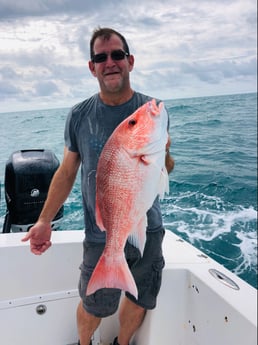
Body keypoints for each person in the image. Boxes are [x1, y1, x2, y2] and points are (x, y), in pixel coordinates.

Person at [22, 27, 174, 345]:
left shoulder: (152, 110)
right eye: (101, 57)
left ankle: (122, 343)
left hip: (149, 227)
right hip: (100, 236)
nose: (110, 62)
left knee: (139, 299)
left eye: (117, 55)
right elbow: (66, 171)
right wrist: (44, 220)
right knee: (94, 305)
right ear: (92, 67)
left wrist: (164, 153)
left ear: (130, 61)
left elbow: (166, 169)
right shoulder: (79, 115)